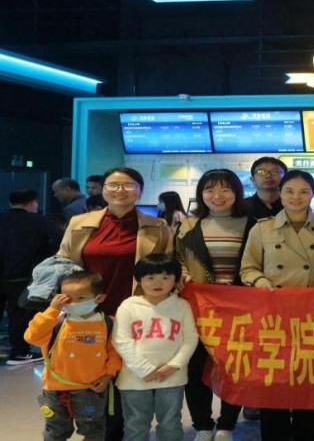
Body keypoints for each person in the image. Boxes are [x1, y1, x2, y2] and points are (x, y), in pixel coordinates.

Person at [54, 167, 173, 441]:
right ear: (103, 189)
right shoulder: (79, 223)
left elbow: (167, 270)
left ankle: (118, 433)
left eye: (128, 185)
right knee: (92, 378)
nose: (120, 190)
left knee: (126, 380)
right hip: (88, 314)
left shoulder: (158, 227)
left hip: (135, 314)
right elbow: (63, 265)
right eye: (113, 185)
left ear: (140, 191)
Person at [239, 169, 314, 440]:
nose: (296, 197)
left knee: (307, 378)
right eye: (289, 191)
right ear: (280, 194)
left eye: (303, 191)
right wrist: (260, 280)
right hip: (273, 315)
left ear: (313, 194)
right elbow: (247, 268)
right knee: (274, 379)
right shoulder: (262, 228)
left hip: (312, 314)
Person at [175, 169, 251, 440]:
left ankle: (227, 424)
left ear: (237, 193)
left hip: (240, 309)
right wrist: (183, 273)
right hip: (199, 308)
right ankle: (202, 425)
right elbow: (178, 258)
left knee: (236, 366)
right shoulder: (188, 224)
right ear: (201, 194)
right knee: (196, 365)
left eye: (225, 189)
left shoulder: (253, 224)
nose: (217, 196)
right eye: (210, 190)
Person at [24, 270, 122, 441]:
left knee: (93, 429)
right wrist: (52, 310)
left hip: (91, 389)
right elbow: (31, 336)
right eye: (67, 298)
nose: (73, 303)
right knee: (55, 431)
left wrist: (108, 375)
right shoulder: (55, 321)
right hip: (55, 388)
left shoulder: (107, 323)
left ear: (99, 298)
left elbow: (114, 354)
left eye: (81, 298)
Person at [112, 254, 198, 441]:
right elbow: (121, 340)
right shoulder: (128, 306)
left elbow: (191, 338)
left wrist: (174, 365)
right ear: (139, 279)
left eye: (166, 277)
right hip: (134, 378)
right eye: (150, 277)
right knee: (136, 424)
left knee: (170, 423)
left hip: (172, 378)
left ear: (176, 280)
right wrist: (144, 369)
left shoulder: (182, 305)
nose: (158, 283)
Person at [1, 189, 60, 364]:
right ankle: (19, 352)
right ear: (33, 202)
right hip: (22, 276)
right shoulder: (39, 221)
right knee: (19, 315)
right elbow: (60, 240)